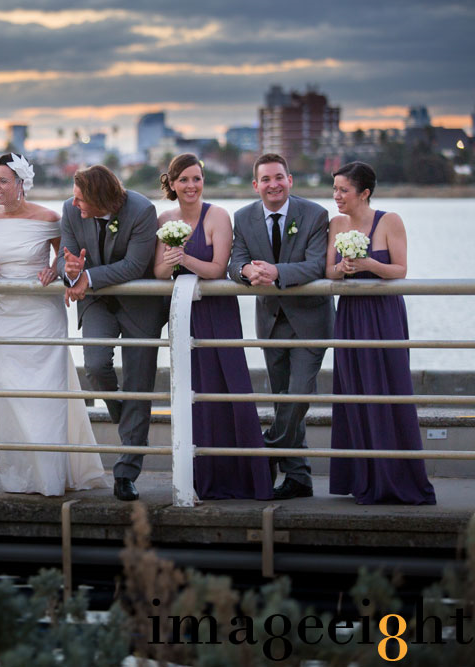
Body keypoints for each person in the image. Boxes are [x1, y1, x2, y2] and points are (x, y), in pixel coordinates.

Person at [0, 154, 108, 496]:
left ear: (21, 184)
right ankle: (22, 474)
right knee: (9, 389)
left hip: (43, 314)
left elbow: (65, 259)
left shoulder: (49, 218)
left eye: (3, 181)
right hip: (8, 314)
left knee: (46, 393)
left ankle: (51, 476)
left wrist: (53, 269)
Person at [153, 154, 272, 500]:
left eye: (197, 179)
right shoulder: (164, 219)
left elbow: (218, 268)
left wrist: (184, 258)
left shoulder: (218, 216)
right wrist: (170, 262)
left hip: (218, 313)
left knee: (231, 386)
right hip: (185, 316)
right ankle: (202, 476)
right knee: (193, 390)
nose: (191, 186)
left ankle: (246, 477)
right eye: (184, 180)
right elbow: (158, 272)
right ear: (172, 184)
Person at [325, 161, 436, 505]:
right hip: (350, 315)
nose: (337, 196)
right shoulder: (336, 224)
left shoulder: (389, 221)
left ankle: (397, 476)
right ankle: (362, 477)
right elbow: (328, 271)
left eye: (343, 190)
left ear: (364, 193)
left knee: (389, 386)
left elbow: (400, 270)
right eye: (335, 189)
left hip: (383, 314)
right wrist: (342, 268)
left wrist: (370, 264)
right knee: (354, 389)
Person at [227, 153, 334, 500]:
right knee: (281, 398)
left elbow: (317, 265)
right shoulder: (243, 217)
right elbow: (235, 262)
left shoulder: (315, 214)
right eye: (266, 179)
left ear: (290, 180)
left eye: (279, 178)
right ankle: (298, 477)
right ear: (255, 184)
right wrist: (246, 272)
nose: (273, 185)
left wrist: (276, 272)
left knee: (299, 394)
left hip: (310, 319)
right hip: (271, 320)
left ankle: (267, 447)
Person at [57, 165, 166, 502]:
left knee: (138, 385)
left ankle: (126, 474)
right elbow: (65, 258)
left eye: (81, 199)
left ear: (101, 199)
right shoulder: (70, 210)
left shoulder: (142, 210)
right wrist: (71, 271)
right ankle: (129, 422)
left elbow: (135, 265)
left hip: (140, 306)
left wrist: (88, 278)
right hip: (97, 303)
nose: (75, 204)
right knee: (95, 365)